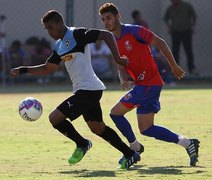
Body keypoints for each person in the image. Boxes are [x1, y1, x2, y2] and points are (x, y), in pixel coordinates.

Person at [10, 10, 141, 170]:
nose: (49, 32)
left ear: (59, 23)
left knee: (54, 118)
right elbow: (48, 68)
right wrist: (24, 69)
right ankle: (130, 154)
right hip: (86, 90)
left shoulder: (77, 34)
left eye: (51, 27)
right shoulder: (59, 46)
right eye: (47, 29)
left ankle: (82, 144)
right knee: (97, 128)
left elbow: (106, 35)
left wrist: (118, 58)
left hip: (88, 90)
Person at [99, 3, 200, 166]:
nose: (106, 23)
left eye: (109, 18)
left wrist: (173, 66)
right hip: (145, 85)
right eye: (103, 20)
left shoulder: (134, 30)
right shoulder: (112, 40)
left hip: (149, 83)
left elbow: (161, 43)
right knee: (146, 128)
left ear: (118, 17)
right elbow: (120, 64)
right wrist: (123, 79)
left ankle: (134, 149)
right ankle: (188, 143)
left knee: (115, 113)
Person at [164, 0, 197, 75]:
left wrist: (193, 26)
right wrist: (169, 27)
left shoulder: (187, 6)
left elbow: (194, 15)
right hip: (175, 32)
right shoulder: (170, 8)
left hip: (186, 30)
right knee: (175, 51)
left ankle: (191, 68)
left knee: (188, 50)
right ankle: (175, 69)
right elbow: (166, 18)